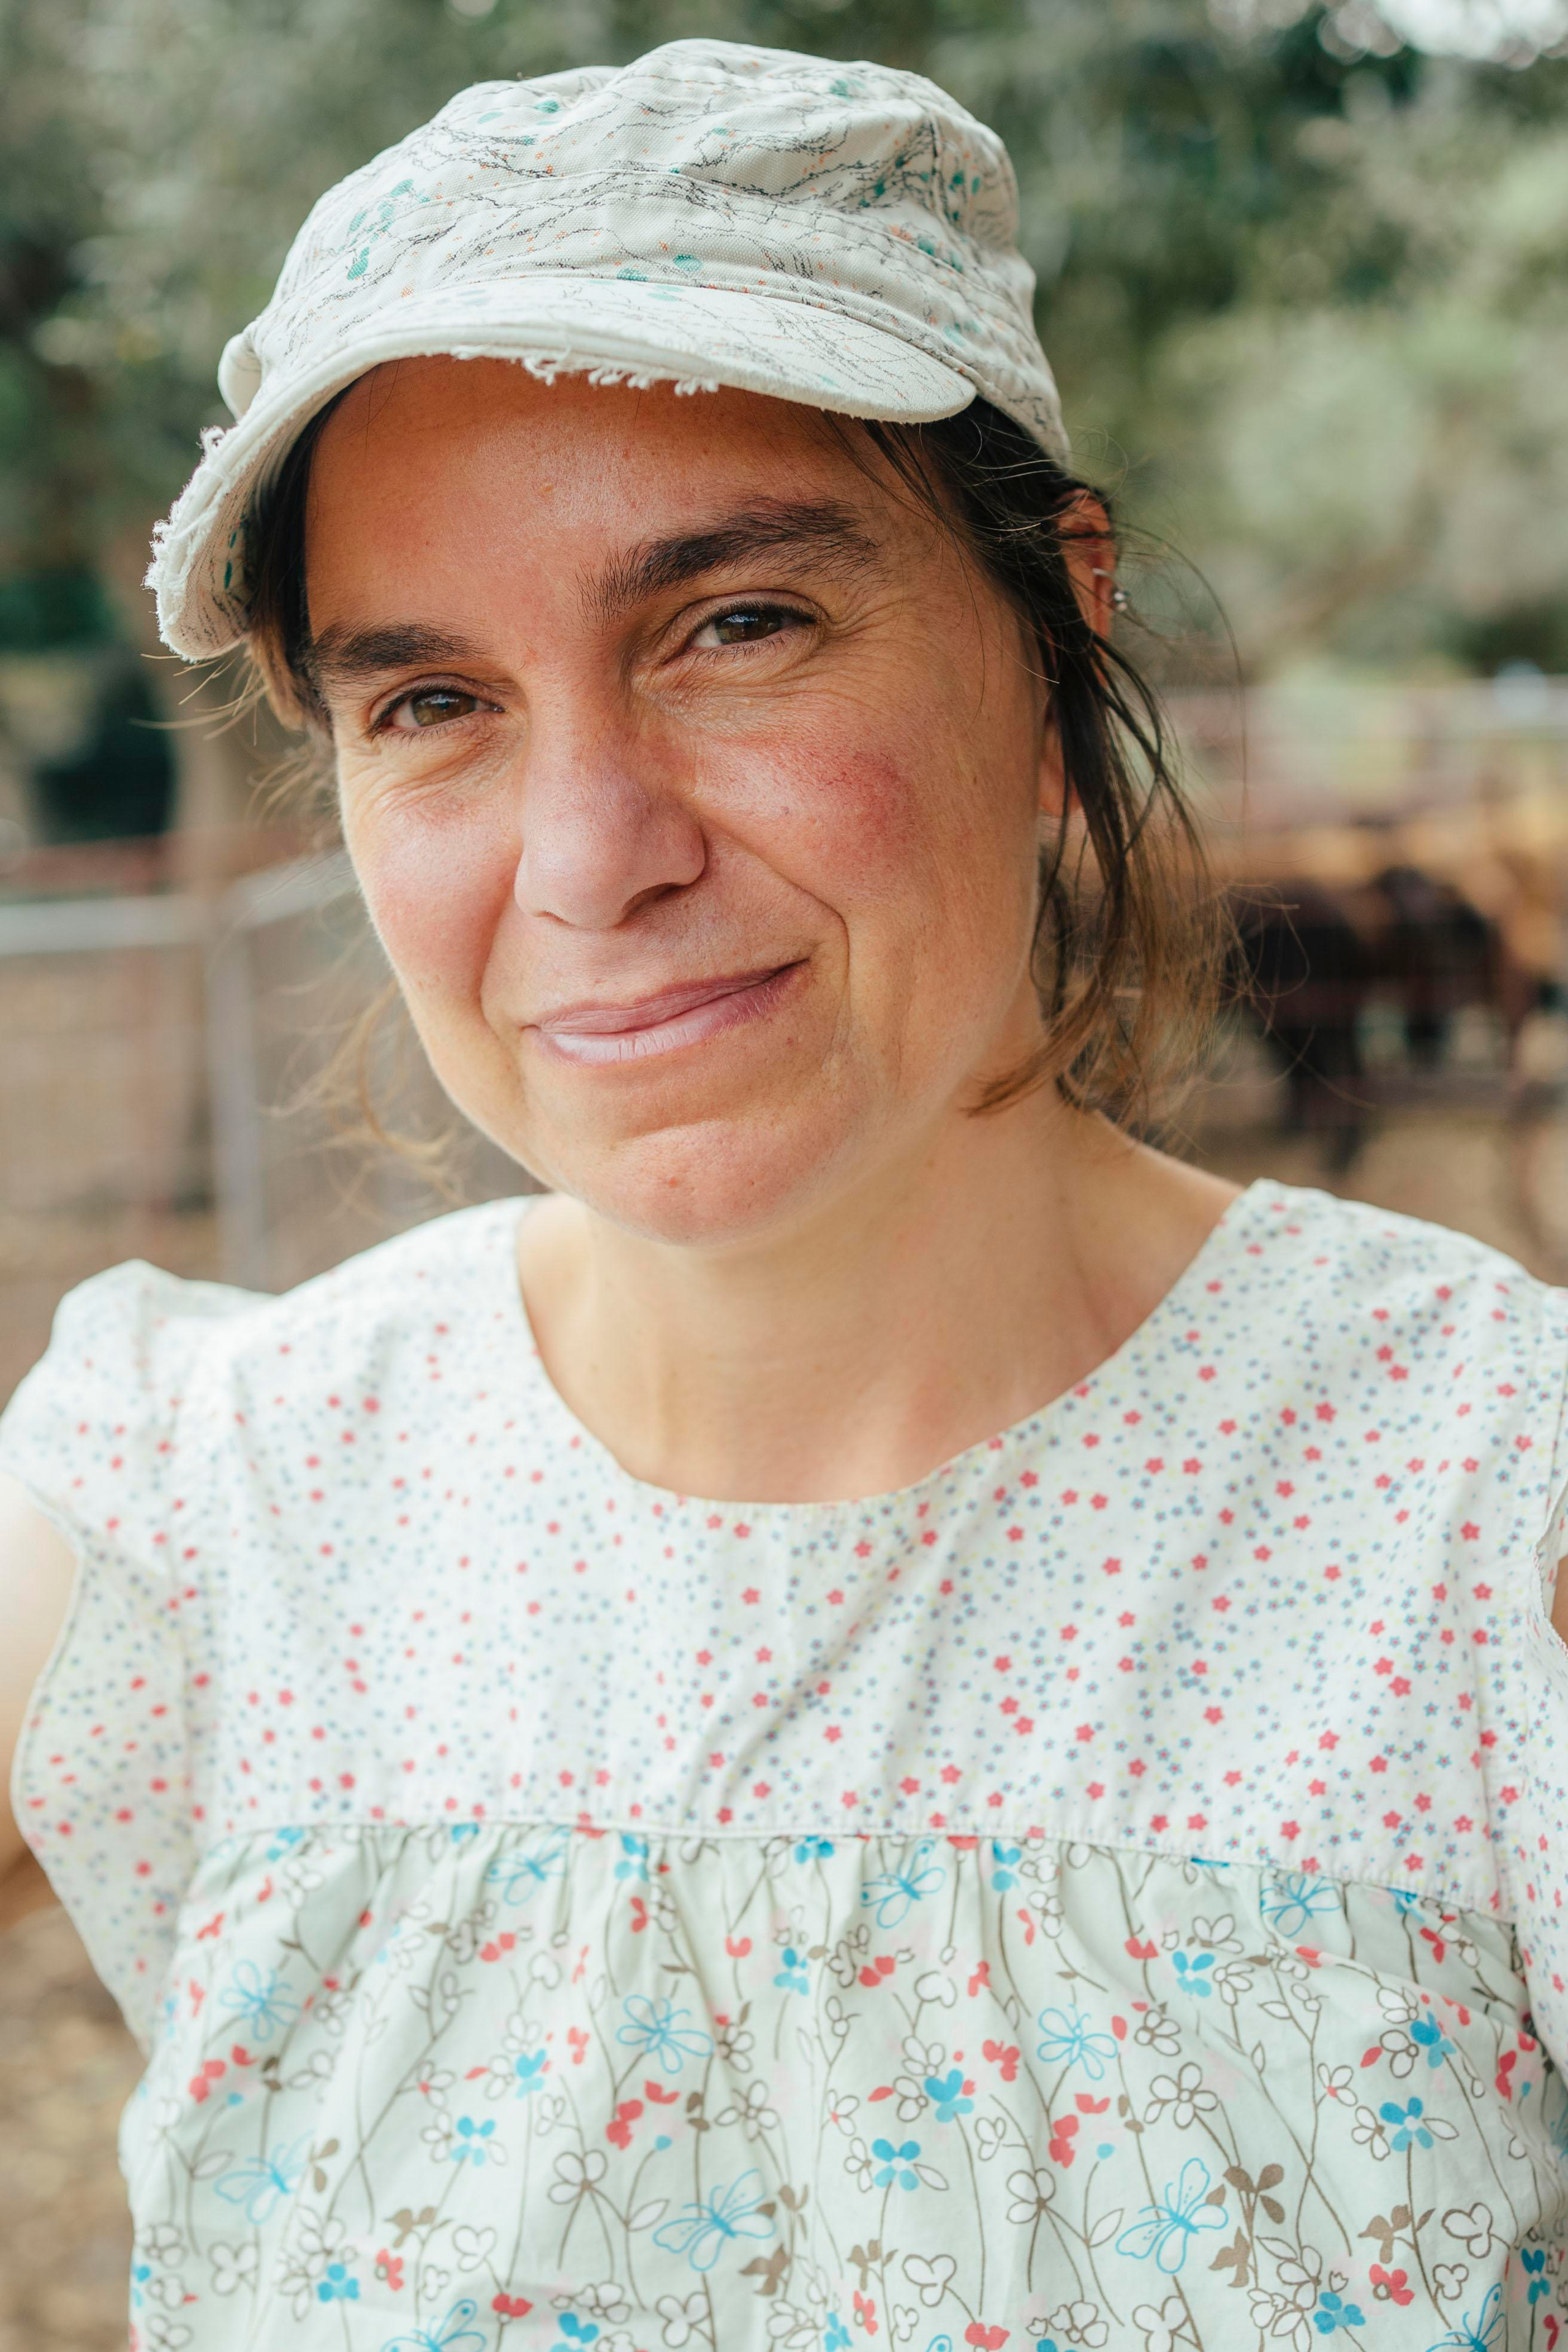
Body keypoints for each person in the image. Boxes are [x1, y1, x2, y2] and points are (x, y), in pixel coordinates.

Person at [2, 39, 1567, 2351]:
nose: (589, 856)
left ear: (1055, 647)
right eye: (430, 700)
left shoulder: (1490, 1519)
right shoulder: (186, 1517)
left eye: (734, 626)